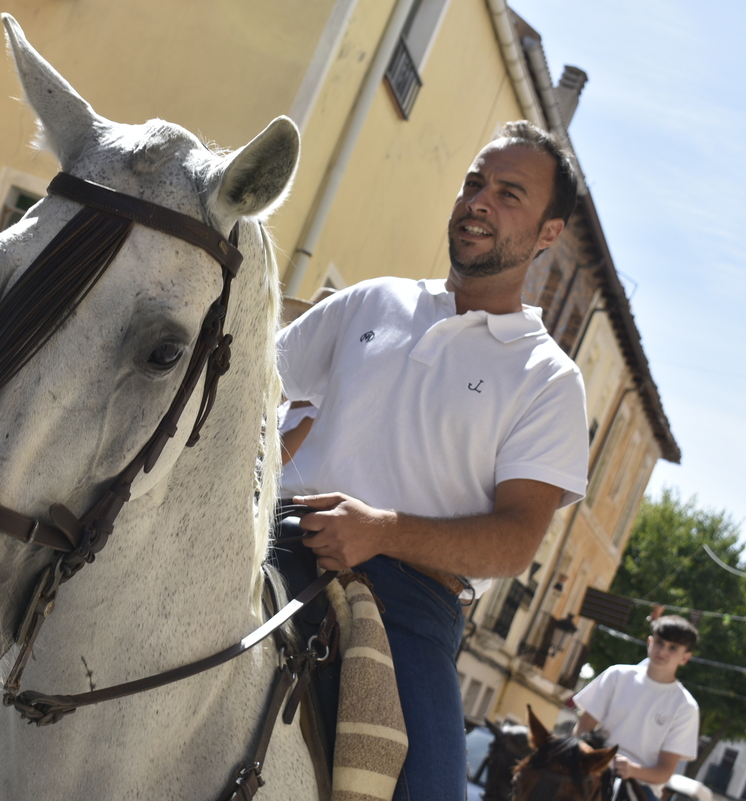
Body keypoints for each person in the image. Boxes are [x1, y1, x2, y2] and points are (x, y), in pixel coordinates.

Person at [276, 120, 590, 801]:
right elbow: (254, 395)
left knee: (431, 790)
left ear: (547, 234)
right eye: (474, 182)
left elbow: (515, 540)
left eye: (509, 194)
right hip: (272, 538)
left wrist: (382, 530)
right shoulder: (370, 299)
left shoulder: (548, 378)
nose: (479, 201)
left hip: (406, 604)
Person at [574, 616, 701, 801]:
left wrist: (632, 770)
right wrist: (592, 758)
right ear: (650, 642)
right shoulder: (616, 675)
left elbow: (665, 771)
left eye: (673, 648)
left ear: (685, 658)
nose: (663, 651)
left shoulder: (686, 707)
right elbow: (583, 728)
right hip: (592, 767)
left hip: (641, 786)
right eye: (659, 642)